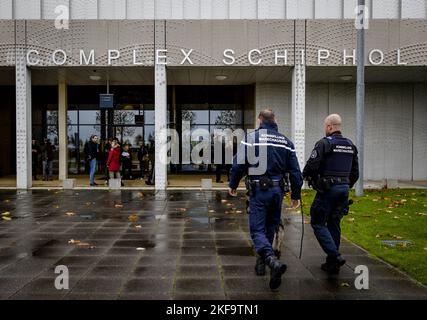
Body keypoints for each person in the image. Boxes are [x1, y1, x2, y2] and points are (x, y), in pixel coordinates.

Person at [228, 109, 303, 291]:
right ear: (274, 120)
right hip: (278, 191)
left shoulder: (251, 138)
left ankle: (271, 261)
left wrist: (233, 184)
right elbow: (295, 172)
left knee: (257, 231)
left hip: (259, 192)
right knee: (271, 227)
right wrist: (296, 195)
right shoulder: (286, 142)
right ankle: (261, 264)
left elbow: (239, 164)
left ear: (260, 120)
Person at [303, 114, 359, 275]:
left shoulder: (324, 143)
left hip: (328, 190)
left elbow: (312, 166)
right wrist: (347, 185)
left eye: (325, 126)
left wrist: (307, 177)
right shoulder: (350, 145)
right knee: (334, 223)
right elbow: (355, 172)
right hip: (344, 190)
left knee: (318, 222)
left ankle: (335, 256)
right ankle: (331, 264)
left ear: (329, 127)